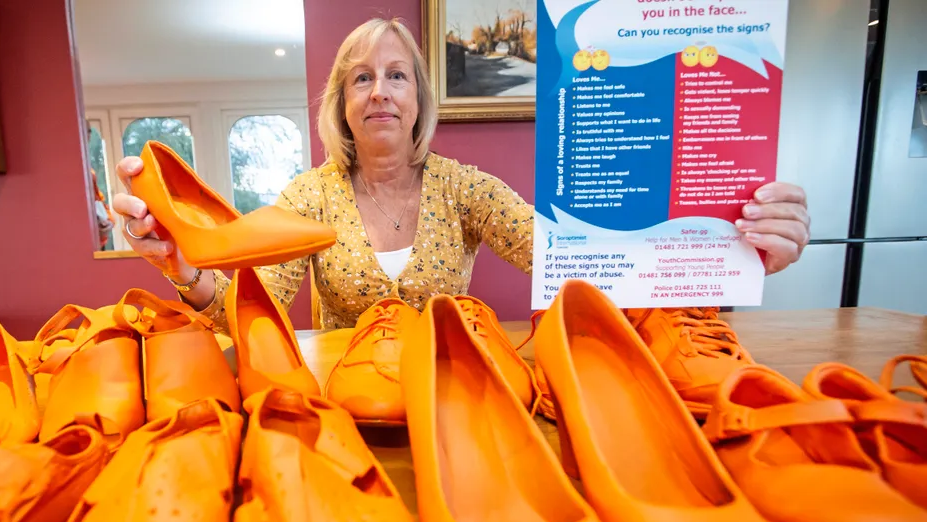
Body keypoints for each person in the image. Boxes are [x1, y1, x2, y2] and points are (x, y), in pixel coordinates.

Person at [113, 18, 811, 333]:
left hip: (460, 402)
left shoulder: (464, 188)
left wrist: (719, 253)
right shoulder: (308, 196)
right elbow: (248, 312)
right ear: (341, 104)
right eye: (361, 78)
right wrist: (185, 268)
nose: (379, 90)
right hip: (350, 411)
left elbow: (574, 264)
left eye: (395, 76)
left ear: (419, 98)